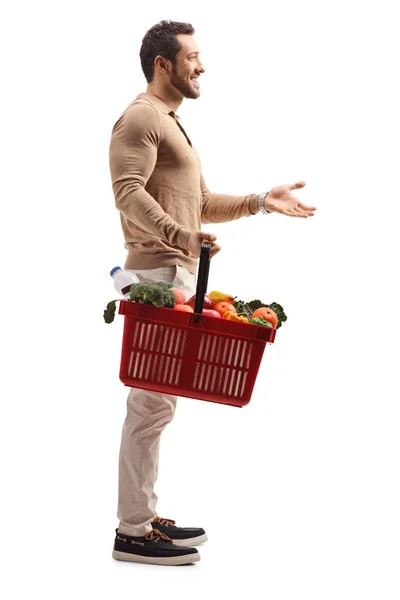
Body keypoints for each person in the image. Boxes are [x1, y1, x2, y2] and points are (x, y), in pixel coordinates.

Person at [109, 19, 317, 567]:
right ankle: (132, 531)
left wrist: (258, 201)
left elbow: (196, 204)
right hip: (154, 277)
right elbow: (127, 193)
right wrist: (180, 237)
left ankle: (142, 517)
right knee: (148, 406)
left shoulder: (171, 123)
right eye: (193, 56)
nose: (202, 66)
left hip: (173, 275)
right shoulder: (140, 118)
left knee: (156, 407)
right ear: (163, 64)